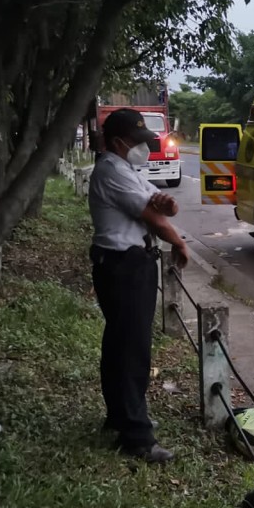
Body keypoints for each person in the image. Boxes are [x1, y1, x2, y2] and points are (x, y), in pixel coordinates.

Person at [88, 108, 190, 463]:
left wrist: (168, 205)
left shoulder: (127, 169)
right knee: (132, 350)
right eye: (138, 142)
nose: (144, 148)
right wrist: (179, 243)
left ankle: (122, 416)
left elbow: (163, 206)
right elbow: (155, 219)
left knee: (121, 345)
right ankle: (137, 437)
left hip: (126, 265)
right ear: (118, 141)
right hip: (124, 268)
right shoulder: (112, 172)